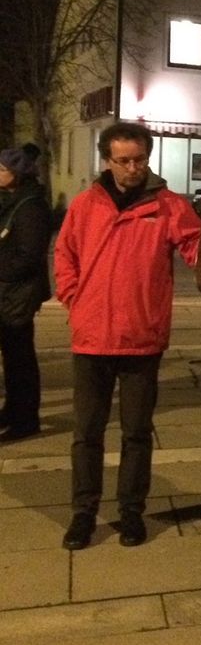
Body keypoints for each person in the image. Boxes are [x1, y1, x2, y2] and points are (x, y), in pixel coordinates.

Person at [54, 121, 201, 550]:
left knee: (137, 431)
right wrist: (75, 299)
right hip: (92, 337)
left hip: (141, 336)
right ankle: (83, 513)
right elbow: (65, 255)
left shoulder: (169, 206)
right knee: (87, 432)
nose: (132, 168)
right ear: (107, 160)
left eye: (139, 159)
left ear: (147, 157)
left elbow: (197, 251)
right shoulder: (85, 205)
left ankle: (130, 512)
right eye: (123, 161)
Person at [0, 146, 52, 441]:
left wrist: (3, 271)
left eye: (2, 169)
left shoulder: (30, 205)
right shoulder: (13, 199)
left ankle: (26, 419)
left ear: (17, 174)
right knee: (12, 355)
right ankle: (13, 410)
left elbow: (29, 254)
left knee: (21, 359)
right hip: (9, 291)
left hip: (19, 293)